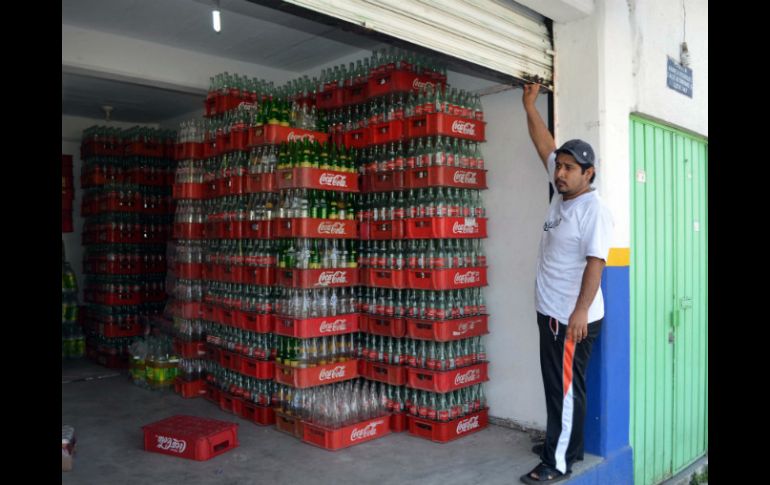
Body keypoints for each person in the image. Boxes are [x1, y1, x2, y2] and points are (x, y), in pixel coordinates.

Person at [519, 83, 614, 484]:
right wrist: (529, 104)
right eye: (559, 166)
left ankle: (558, 462)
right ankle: (560, 444)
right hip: (552, 313)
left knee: (566, 391)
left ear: (587, 173)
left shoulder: (592, 210)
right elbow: (544, 144)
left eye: (568, 168)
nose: (559, 172)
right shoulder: (562, 195)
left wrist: (578, 311)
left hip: (572, 318)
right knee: (559, 387)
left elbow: (596, 263)